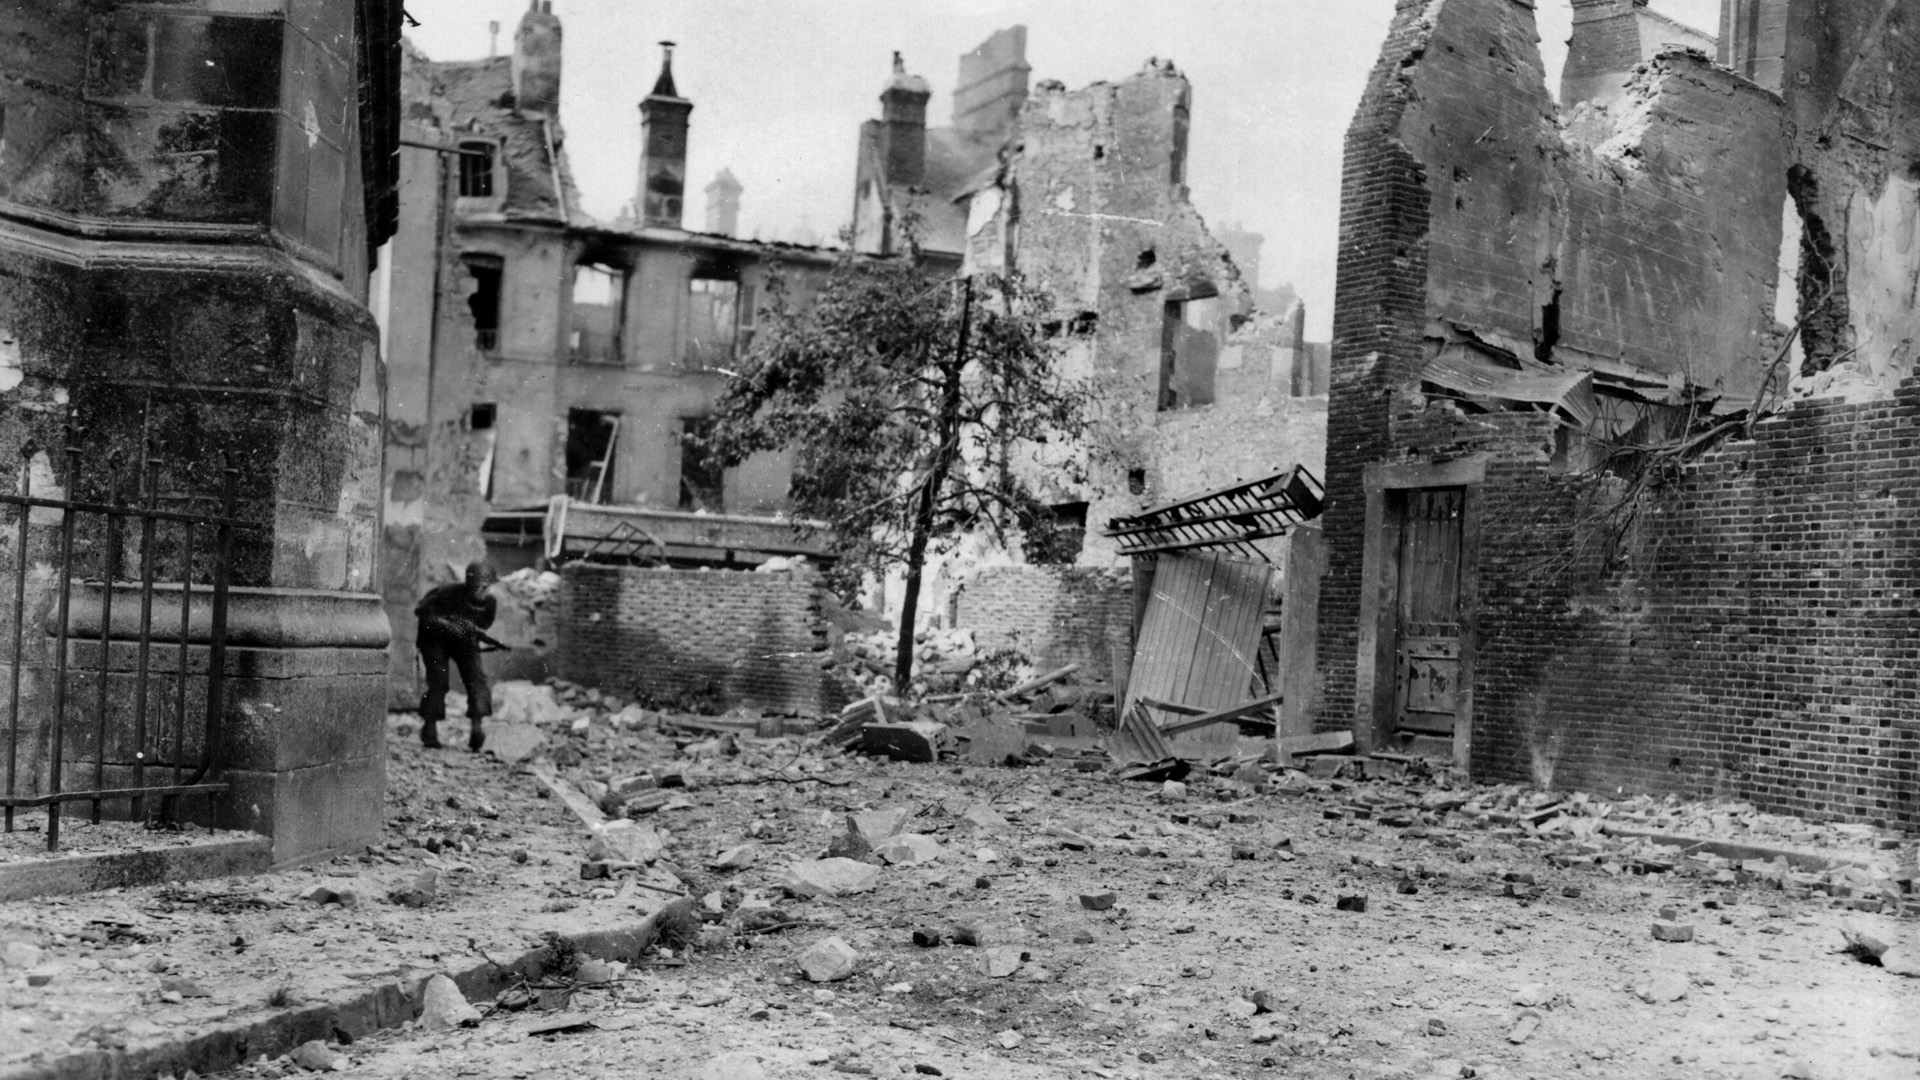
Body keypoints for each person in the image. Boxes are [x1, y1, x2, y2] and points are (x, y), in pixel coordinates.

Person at [415, 562, 500, 751]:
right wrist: (449, 626)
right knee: (438, 681)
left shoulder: (490, 604)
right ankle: (429, 728)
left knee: (477, 679)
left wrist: (468, 631)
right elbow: (422, 612)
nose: (483, 591)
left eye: (487, 586)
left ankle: (476, 729)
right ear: (470, 584)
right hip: (434, 640)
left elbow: (482, 627)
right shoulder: (448, 592)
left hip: (463, 642)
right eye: (479, 586)